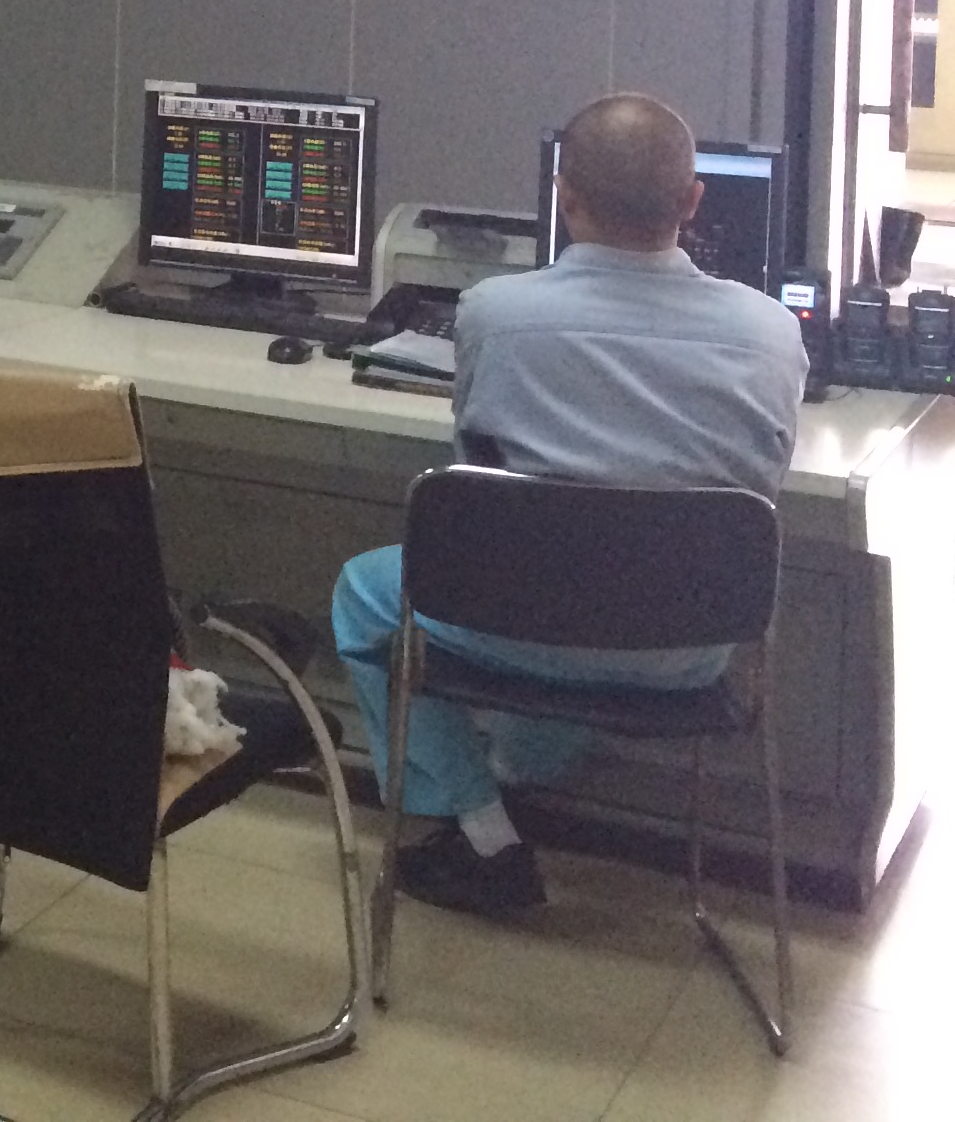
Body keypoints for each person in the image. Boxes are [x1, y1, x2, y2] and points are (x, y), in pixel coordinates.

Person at [332, 92, 804, 917]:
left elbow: (474, 472)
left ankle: (482, 827)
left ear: (564, 196)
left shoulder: (494, 314)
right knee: (600, 585)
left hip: (513, 620)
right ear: (694, 202)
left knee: (371, 593)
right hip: (687, 648)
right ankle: (509, 776)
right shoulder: (771, 334)